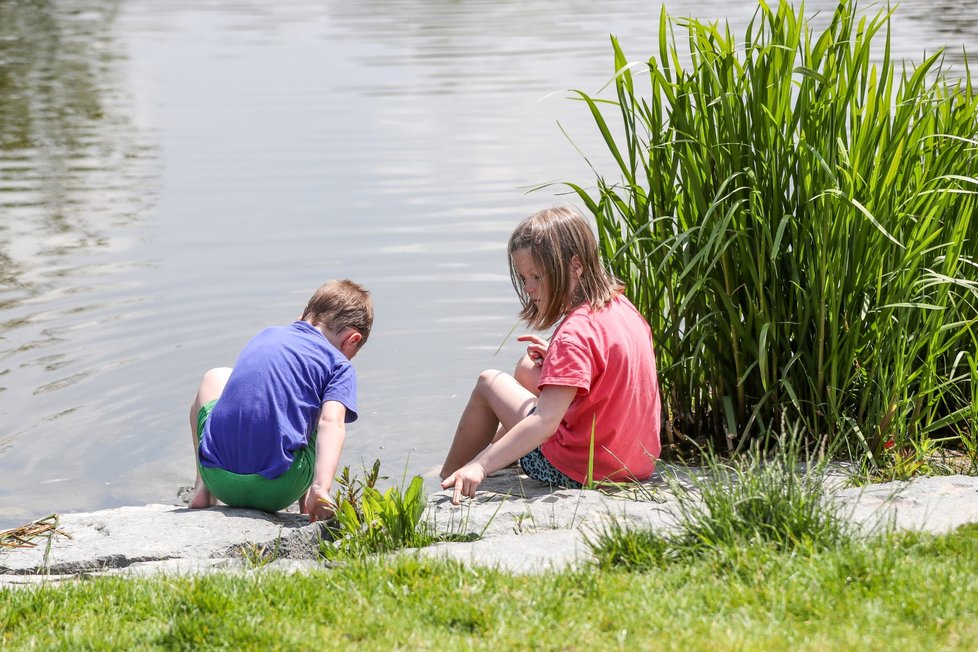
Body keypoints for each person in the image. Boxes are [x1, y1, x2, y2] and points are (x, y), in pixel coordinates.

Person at [440, 207, 660, 504]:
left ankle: (454, 476)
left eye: (537, 276)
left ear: (576, 266)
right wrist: (555, 355)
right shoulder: (622, 307)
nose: (529, 288)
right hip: (635, 462)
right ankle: (493, 454)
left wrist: (480, 467)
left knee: (488, 383)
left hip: (580, 470)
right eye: (524, 277)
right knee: (527, 368)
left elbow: (545, 422)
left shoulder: (574, 333)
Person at [187, 279, 373, 523]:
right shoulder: (339, 365)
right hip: (278, 489)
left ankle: (202, 487)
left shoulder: (266, 334)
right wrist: (321, 487)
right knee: (320, 407)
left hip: (220, 480)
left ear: (302, 317)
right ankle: (308, 500)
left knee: (216, 376)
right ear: (353, 340)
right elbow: (331, 422)